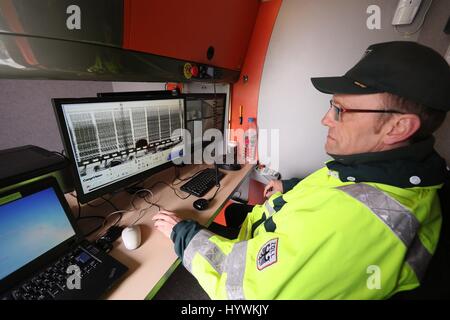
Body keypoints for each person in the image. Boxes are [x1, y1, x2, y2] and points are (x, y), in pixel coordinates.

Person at [152, 41, 450, 299]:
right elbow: (340, 188)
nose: (325, 119)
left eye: (340, 110)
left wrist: (182, 234)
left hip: (249, 268)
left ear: (398, 126)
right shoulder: (381, 171)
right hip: (263, 234)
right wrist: (291, 186)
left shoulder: (351, 224)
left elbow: (242, 291)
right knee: (226, 213)